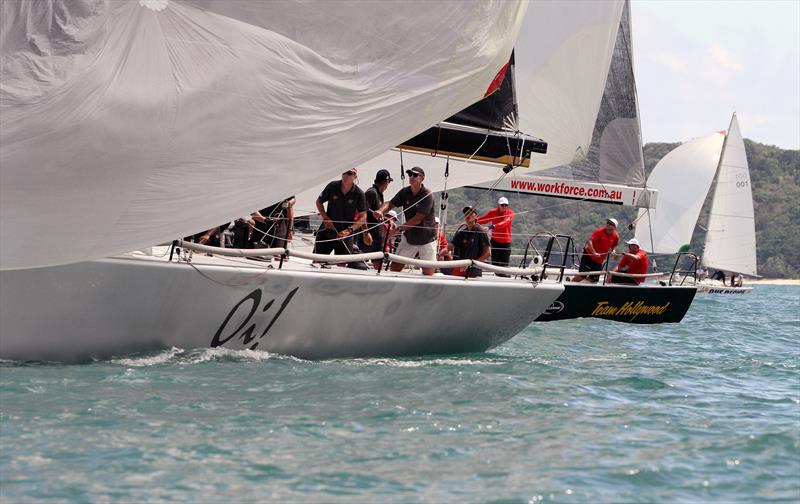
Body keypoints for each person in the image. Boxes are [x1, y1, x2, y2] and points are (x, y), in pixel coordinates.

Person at [374, 166, 437, 275]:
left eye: (415, 175)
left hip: (427, 239)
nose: (411, 177)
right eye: (410, 174)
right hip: (410, 237)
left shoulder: (427, 195)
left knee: (429, 273)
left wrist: (397, 229)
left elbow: (417, 219)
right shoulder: (405, 192)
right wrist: (380, 211)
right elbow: (390, 203)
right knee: (394, 268)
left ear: (422, 178)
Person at [314, 169, 367, 257]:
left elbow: (363, 217)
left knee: (341, 265)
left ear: (355, 176)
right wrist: (325, 218)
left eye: (349, 173)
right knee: (317, 261)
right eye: (344, 172)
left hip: (345, 235)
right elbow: (319, 202)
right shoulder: (332, 186)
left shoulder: (359, 193)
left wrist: (349, 230)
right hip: (327, 231)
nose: (346, 175)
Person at [445, 206, 491, 278]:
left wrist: (473, 263)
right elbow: (450, 246)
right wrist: (440, 254)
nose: (468, 215)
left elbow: (488, 253)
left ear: (476, 216)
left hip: (474, 270)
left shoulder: (480, 231)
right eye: (466, 213)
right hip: (461, 268)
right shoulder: (462, 232)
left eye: (471, 213)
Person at [571, 217, 620, 282]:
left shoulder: (615, 236)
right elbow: (589, 241)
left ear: (614, 227)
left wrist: (613, 251)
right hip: (589, 256)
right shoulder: (599, 231)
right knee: (582, 275)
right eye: (607, 222)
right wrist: (594, 252)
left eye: (610, 224)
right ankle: (571, 282)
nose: (608, 224)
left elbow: (613, 246)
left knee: (594, 280)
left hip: (599, 261)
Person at [361, 169, 394, 267]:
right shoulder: (371, 193)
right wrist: (366, 233)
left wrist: (385, 219)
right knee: (359, 262)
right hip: (368, 238)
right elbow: (362, 213)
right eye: (388, 182)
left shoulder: (379, 194)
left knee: (378, 263)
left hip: (377, 239)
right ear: (386, 182)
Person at [478, 196, 514, 273]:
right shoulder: (493, 212)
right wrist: (473, 221)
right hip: (495, 241)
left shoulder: (510, 213)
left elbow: (504, 223)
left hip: (506, 243)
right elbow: (484, 219)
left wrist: (492, 226)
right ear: (498, 205)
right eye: (502, 205)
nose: (504, 206)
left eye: (506, 205)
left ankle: (503, 280)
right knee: (495, 264)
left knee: (504, 264)